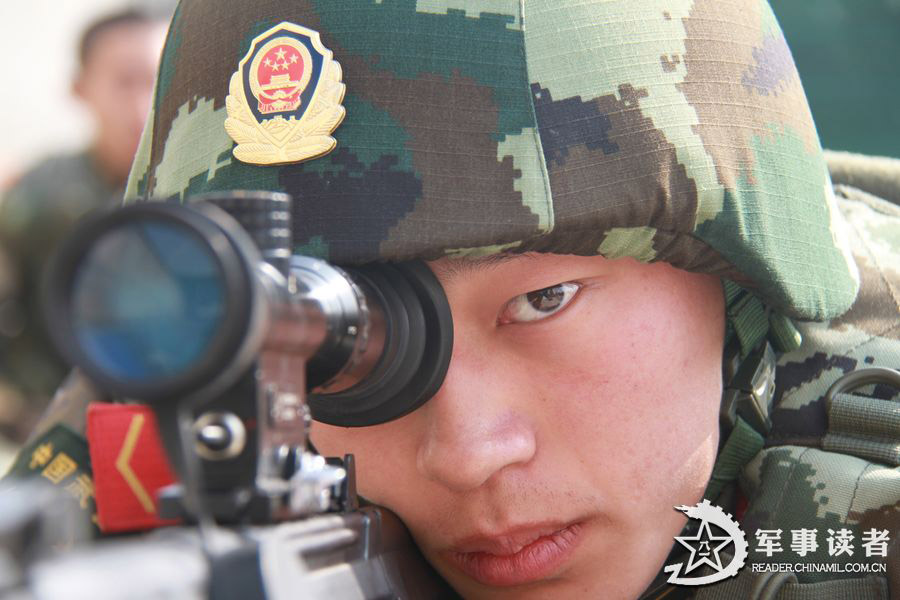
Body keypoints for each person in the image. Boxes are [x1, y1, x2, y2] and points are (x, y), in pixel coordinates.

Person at [14, 0, 900, 598]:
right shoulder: (154, 485)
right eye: (348, 352)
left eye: (547, 298)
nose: (470, 455)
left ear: (741, 276)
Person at [0, 9, 168, 438]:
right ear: (80, 88)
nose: (142, 103)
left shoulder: (205, 188)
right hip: (48, 427)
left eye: (157, 78)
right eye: (124, 80)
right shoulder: (30, 199)